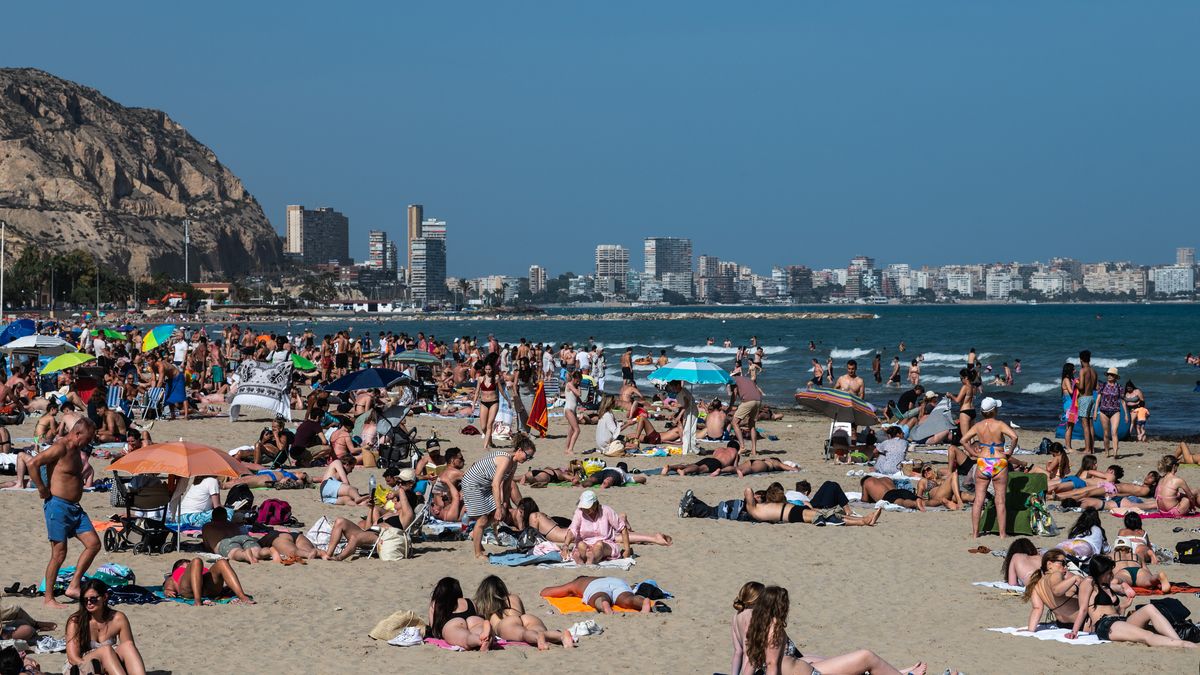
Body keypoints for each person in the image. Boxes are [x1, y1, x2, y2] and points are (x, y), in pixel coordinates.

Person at [739, 585, 926, 675]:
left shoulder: (758, 626)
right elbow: (772, 666)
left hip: (805, 668)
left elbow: (750, 661)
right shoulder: (774, 629)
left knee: (825, 659)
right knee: (866, 656)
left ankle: (898, 672)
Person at [26, 416, 100, 607]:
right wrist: (41, 488)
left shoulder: (76, 450)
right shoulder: (61, 447)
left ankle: (74, 585)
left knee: (93, 544)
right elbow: (33, 463)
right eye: (88, 438)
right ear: (77, 433)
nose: (89, 442)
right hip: (57, 506)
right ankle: (49, 598)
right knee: (59, 554)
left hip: (75, 509)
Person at [1067, 556, 1194, 647]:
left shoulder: (1107, 585)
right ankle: (1183, 644)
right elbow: (1083, 609)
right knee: (1146, 636)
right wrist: (1074, 632)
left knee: (1150, 608)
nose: (1112, 575)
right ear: (1100, 572)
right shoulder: (1089, 583)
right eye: (1109, 572)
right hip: (1105, 624)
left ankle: (1177, 641)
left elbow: (1114, 610)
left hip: (1119, 620)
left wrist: (1123, 607)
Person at [464, 436, 536, 558]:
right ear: (519, 450)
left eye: (530, 457)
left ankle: (477, 537)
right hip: (473, 484)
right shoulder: (505, 459)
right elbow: (496, 484)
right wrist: (498, 506)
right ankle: (478, 553)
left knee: (496, 516)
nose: (528, 459)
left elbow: (507, 485)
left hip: (484, 485)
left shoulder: (513, 464)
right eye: (527, 455)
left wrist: (505, 504)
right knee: (483, 519)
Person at [961, 397, 1017, 539]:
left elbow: (963, 440)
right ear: (994, 410)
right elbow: (1014, 436)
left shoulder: (978, 425)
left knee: (978, 499)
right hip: (999, 461)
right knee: (1000, 500)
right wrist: (1010, 451)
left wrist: (973, 453)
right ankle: (1003, 534)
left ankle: (975, 533)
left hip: (983, 461)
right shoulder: (999, 424)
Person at [65, 580, 146, 675]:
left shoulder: (118, 618)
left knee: (128, 645)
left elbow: (128, 651)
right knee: (106, 650)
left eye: (93, 599)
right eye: (85, 600)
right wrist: (94, 669)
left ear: (104, 597)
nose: (89, 603)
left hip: (112, 662)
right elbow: (73, 658)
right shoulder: (76, 621)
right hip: (82, 665)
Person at [473, 575, 574, 650]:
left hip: (506, 623)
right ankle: (561, 636)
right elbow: (522, 614)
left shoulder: (485, 605)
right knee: (542, 632)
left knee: (524, 634)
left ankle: (538, 638)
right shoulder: (514, 597)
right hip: (527, 618)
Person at [1022, 549, 1083, 631]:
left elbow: (1037, 608)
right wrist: (1075, 578)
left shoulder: (1036, 585)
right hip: (1081, 621)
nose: (1066, 567)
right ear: (1049, 564)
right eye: (1063, 563)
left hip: (1064, 625)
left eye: (1067, 564)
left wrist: (1030, 630)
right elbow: (1056, 591)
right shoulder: (1056, 574)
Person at [428, 577, 492, 650]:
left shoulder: (436, 604)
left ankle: (479, 641)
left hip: (454, 623)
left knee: (466, 638)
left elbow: (433, 630)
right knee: (480, 632)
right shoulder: (470, 601)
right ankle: (485, 637)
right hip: (474, 620)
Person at [567, 490, 630, 564]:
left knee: (599, 545)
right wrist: (566, 545)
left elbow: (623, 528)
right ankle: (588, 557)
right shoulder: (579, 512)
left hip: (605, 544)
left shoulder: (606, 511)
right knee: (581, 545)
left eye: (587, 508)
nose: (584, 510)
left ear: (595, 505)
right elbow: (572, 530)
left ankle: (591, 558)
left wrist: (627, 550)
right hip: (586, 543)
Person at [161, 558, 254, 605]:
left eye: (188, 564)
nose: (187, 566)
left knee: (222, 562)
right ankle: (197, 601)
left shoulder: (201, 568)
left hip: (207, 588)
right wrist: (167, 589)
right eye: (185, 565)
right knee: (197, 561)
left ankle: (242, 596)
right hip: (188, 589)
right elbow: (170, 581)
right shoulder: (178, 572)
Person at [539, 576, 653, 614]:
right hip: (617, 581)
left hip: (595, 586)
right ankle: (642, 602)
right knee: (627, 599)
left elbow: (546, 592)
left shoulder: (577, 583)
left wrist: (571, 589)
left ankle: (604, 605)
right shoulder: (601, 577)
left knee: (599, 597)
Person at [200, 509, 276, 564]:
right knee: (256, 552)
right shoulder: (232, 524)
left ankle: (245, 554)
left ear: (212, 518)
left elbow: (207, 546)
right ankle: (268, 551)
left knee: (235, 552)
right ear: (226, 517)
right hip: (243, 537)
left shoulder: (208, 526)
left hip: (226, 541)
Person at [472, 361, 505, 450]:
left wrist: (508, 400)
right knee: (483, 427)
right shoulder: (480, 379)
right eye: (486, 369)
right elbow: (477, 392)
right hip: (483, 403)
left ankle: (485, 445)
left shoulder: (496, 378)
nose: (488, 371)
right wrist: (473, 404)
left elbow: (501, 391)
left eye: (489, 369)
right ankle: (490, 441)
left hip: (494, 402)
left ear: (492, 369)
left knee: (489, 424)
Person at [729, 374, 764, 456]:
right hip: (758, 400)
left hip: (748, 401)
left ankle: (742, 447)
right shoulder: (747, 379)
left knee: (734, 423)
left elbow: (734, 394)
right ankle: (754, 450)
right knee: (752, 425)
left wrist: (730, 407)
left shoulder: (733, 380)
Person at [1096, 367, 1126, 459]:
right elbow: (1098, 400)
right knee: (1106, 433)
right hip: (1103, 411)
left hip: (1115, 411)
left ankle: (1115, 452)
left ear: (1116, 377)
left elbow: (1123, 401)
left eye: (1112, 375)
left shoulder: (1119, 387)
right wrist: (1094, 412)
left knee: (1114, 432)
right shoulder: (1103, 385)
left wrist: (1126, 414)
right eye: (1108, 374)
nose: (1109, 376)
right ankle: (1106, 451)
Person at [1076, 350, 1098, 454]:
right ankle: (1092, 448)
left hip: (1084, 398)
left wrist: (1075, 383)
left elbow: (1081, 387)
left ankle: (1087, 449)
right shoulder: (1094, 371)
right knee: (1091, 425)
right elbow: (1095, 387)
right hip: (1091, 397)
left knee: (1085, 425)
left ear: (1081, 359)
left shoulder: (1082, 371)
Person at [1060, 362, 1078, 451]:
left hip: (1072, 404)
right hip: (1069, 405)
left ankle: (1069, 446)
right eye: (1073, 369)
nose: (1075, 370)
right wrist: (1078, 385)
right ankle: (1068, 447)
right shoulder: (1066, 380)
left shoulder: (1070, 379)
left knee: (1071, 425)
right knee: (1069, 425)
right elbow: (1071, 391)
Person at [563, 371, 582, 454]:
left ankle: (567, 449)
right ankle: (570, 449)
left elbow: (577, 398)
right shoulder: (569, 384)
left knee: (570, 431)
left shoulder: (574, 386)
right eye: (577, 381)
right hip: (568, 409)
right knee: (577, 430)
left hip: (573, 410)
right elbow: (578, 394)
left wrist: (583, 404)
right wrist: (579, 388)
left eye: (579, 381)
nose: (578, 383)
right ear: (573, 379)